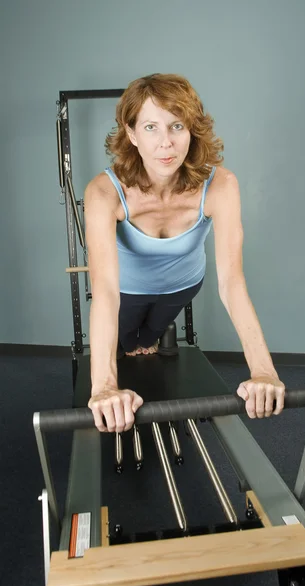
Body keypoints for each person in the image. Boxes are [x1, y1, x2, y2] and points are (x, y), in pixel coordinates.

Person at [84, 73, 285, 434]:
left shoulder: (220, 185)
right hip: (126, 292)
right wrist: (103, 388)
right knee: (125, 342)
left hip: (182, 286)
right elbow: (106, 292)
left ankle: (146, 338)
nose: (166, 143)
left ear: (191, 129)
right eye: (150, 127)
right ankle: (131, 346)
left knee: (150, 338)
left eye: (176, 126)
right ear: (131, 134)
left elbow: (232, 284)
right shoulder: (104, 192)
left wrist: (264, 371)